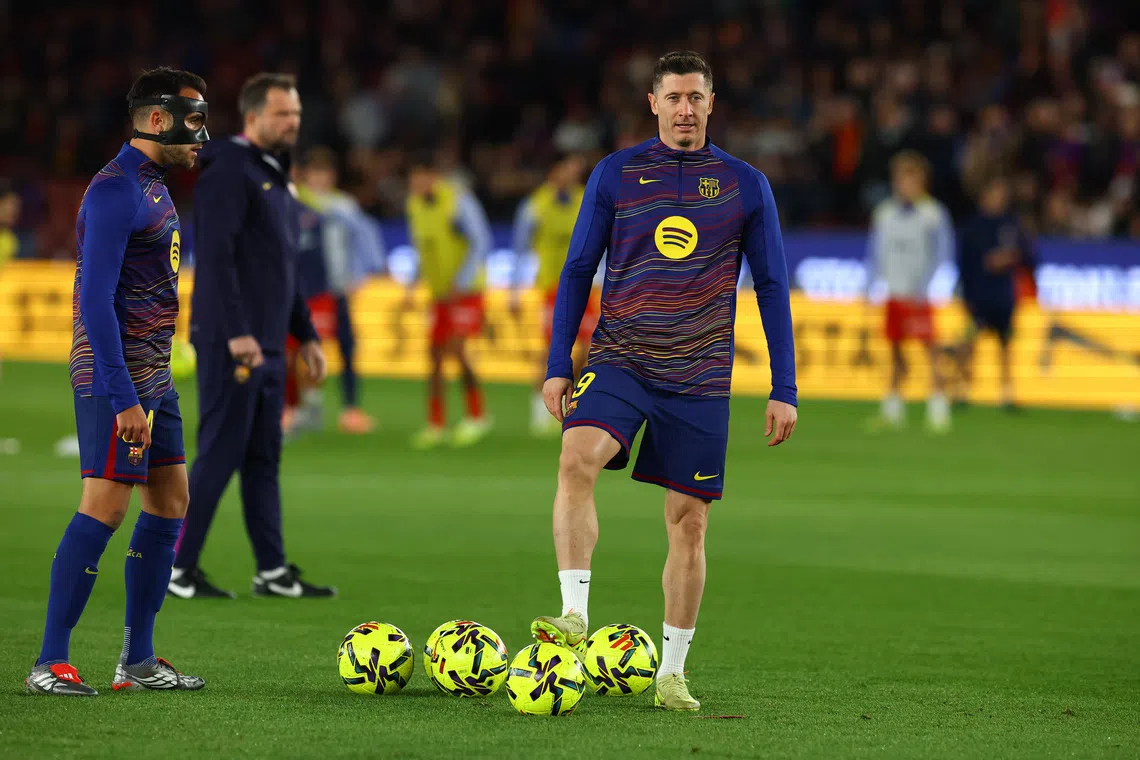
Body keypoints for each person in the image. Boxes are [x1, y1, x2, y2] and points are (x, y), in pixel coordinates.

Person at [529, 51, 798, 712]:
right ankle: (572, 612)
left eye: (696, 98)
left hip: (700, 379)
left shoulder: (744, 184)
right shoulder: (617, 174)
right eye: (674, 97)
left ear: (711, 104)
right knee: (575, 458)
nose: (685, 109)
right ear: (652, 103)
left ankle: (671, 673)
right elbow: (575, 269)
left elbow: (771, 287)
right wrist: (559, 362)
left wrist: (784, 386)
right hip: (621, 361)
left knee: (689, 524)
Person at [26, 67, 210, 696]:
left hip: (154, 374)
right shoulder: (114, 190)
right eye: (192, 120)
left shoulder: (153, 186)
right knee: (104, 506)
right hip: (118, 379)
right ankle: (49, 662)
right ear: (154, 118)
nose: (201, 134)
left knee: (171, 502)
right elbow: (93, 300)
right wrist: (125, 395)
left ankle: (137, 660)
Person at [169, 73, 335, 599]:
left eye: (296, 115)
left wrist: (304, 335)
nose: (292, 123)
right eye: (283, 114)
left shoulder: (272, 173)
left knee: (264, 456)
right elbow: (214, 260)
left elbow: (279, 267)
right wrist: (237, 331)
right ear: (253, 116)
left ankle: (272, 570)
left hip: (266, 341)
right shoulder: (229, 172)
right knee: (219, 453)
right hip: (233, 341)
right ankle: (176, 568)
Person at [287, 146, 385, 435]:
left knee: (345, 348)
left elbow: (366, 236)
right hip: (306, 289)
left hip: (337, 288)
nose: (319, 179)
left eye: (324, 173)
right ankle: (301, 407)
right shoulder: (295, 202)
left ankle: (350, 410)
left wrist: (363, 273)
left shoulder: (343, 206)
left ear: (332, 176)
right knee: (298, 349)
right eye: (314, 173)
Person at [405, 156, 494, 449]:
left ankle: (477, 416)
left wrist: (463, 279)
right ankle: (436, 423)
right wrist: (412, 283)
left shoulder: (457, 203)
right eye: (413, 180)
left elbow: (480, 240)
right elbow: (423, 248)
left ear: (434, 176)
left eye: (422, 178)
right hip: (440, 293)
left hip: (466, 292)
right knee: (434, 356)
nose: (417, 185)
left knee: (457, 348)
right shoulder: (415, 206)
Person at [866, 150, 954, 432]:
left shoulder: (933, 214)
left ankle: (939, 408)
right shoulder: (885, 213)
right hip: (894, 291)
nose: (905, 185)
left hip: (919, 295)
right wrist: (873, 284)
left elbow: (944, 253)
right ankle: (893, 409)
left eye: (911, 179)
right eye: (901, 179)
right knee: (894, 352)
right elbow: (875, 252)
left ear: (922, 182)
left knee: (931, 350)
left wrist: (933, 286)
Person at [510, 154, 598, 437]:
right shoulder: (535, 205)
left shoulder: (587, 198)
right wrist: (514, 289)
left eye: (575, 168)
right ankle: (540, 413)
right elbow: (520, 247)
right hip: (553, 289)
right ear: (553, 171)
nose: (571, 173)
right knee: (550, 352)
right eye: (567, 168)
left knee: (589, 350)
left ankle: (577, 405)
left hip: (587, 288)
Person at [955, 175, 1034, 408]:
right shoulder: (972, 226)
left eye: (1002, 195)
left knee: (1006, 345)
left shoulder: (1013, 225)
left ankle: (1007, 394)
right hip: (979, 296)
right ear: (984, 196)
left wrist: (1009, 258)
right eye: (994, 193)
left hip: (1004, 297)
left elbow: (1029, 255)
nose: (999, 199)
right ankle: (963, 390)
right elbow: (963, 263)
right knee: (969, 344)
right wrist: (965, 294)